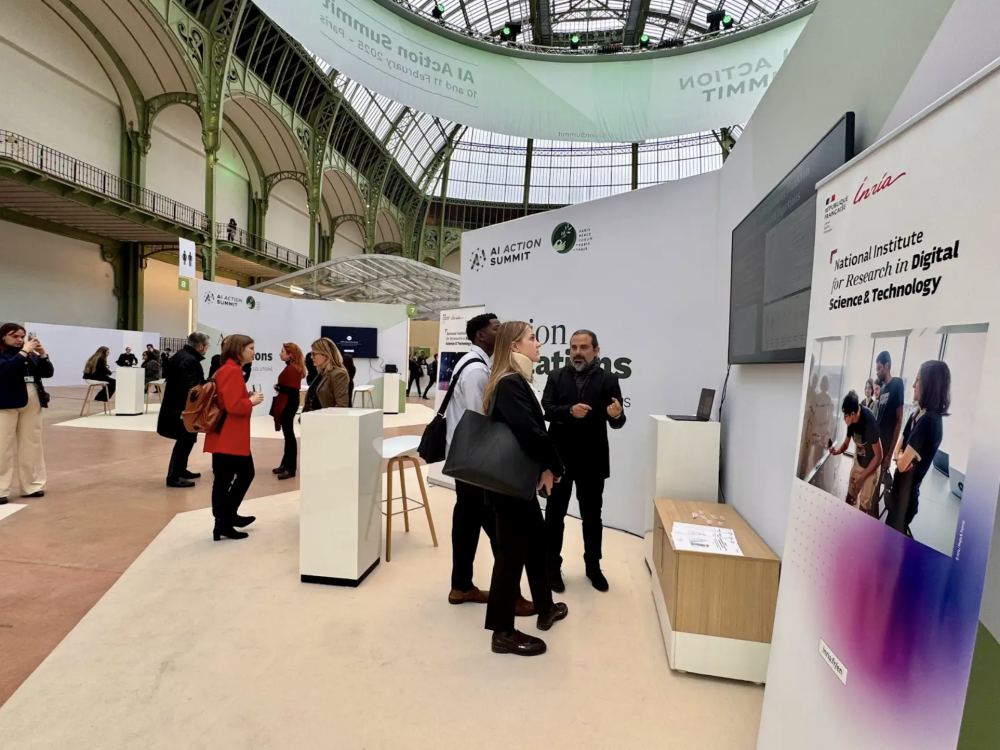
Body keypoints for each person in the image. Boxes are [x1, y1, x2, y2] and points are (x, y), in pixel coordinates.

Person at [482, 321, 568, 657]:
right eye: (532, 339)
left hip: (516, 484)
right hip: (510, 486)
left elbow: (529, 432)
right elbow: (532, 433)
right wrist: (555, 467)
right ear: (514, 347)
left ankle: (545, 607)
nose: (538, 345)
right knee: (510, 557)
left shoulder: (514, 381)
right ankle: (502, 631)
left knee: (535, 546)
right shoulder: (510, 383)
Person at [445, 314, 531, 616]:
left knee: (467, 525)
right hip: (476, 465)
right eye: (497, 329)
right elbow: (478, 420)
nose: (502, 332)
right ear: (481, 335)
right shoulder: (477, 372)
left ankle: (462, 586)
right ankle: (511, 597)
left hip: (468, 462)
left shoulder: (473, 364)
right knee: (500, 531)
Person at [541, 330, 626, 593]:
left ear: (596, 350)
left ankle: (593, 567)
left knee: (592, 517)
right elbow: (546, 409)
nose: (577, 352)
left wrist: (615, 415)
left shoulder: (609, 379)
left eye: (584, 347)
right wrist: (569, 411)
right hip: (559, 460)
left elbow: (619, 420)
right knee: (554, 515)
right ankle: (552, 568)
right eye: (573, 347)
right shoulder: (556, 376)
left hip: (592, 459)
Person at [205, 334, 264, 541]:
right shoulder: (232, 371)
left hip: (225, 435)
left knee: (224, 479)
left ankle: (225, 519)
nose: (253, 352)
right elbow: (233, 406)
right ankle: (225, 519)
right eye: (251, 348)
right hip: (229, 436)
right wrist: (252, 401)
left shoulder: (226, 369)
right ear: (239, 350)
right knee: (240, 475)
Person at [887, 360, 950, 533]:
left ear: (930, 384)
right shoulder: (917, 414)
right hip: (900, 493)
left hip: (905, 501)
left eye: (918, 380)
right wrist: (901, 455)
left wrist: (900, 457)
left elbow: (900, 463)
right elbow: (898, 453)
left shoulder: (929, 421)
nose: (914, 385)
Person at [0, 324, 53, 504]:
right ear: (3, 337)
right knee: (2, 446)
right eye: (14, 336)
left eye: (22, 336)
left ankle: (33, 485)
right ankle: (1, 489)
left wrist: (43, 354)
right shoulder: (6, 355)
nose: (19, 339)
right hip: (5, 402)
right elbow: (4, 370)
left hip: (32, 400)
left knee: (32, 443)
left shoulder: (30, 355)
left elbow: (47, 373)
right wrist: (23, 352)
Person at [157, 332, 209, 488]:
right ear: (200, 347)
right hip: (182, 409)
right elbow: (190, 387)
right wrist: (208, 385)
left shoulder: (184, 356)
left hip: (180, 407)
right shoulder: (188, 360)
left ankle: (181, 469)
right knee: (184, 440)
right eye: (206, 346)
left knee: (187, 440)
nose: (207, 349)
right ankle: (174, 476)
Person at [829, 390, 883, 515]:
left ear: (853, 414)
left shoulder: (869, 422)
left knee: (863, 507)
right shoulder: (851, 423)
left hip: (872, 466)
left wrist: (863, 477)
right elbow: (846, 444)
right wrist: (836, 452)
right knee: (850, 498)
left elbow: (879, 456)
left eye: (845, 416)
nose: (844, 419)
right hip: (859, 462)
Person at [271, 342, 306, 480]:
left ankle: (290, 467)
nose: (280, 354)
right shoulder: (293, 368)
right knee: (288, 435)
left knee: (289, 435)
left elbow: (291, 389)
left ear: (291, 354)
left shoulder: (292, 369)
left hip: (288, 403)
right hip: (289, 402)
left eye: (283, 351)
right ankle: (286, 464)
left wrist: (279, 387)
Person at [874, 351, 905, 483]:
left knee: (877, 483)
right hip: (877, 443)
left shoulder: (897, 384)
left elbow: (899, 420)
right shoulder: (883, 389)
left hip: (886, 445)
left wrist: (889, 454)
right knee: (872, 481)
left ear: (887, 366)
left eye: (879, 368)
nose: (877, 372)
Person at [303, 338, 350, 410]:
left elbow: (341, 406)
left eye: (314, 354)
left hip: (324, 419)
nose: (311, 357)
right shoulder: (322, 373)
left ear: (326, 355)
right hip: (311, 419)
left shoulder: (338, 374)